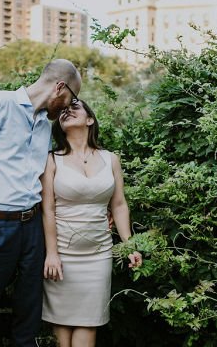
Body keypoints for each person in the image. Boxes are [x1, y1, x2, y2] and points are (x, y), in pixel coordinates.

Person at [0, 59, 82, 347]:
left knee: (29, 316)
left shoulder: (44, 128)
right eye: (71, 99)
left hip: (32, 227)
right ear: (59, 87)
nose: (69, 107)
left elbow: (50, 180)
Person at [40, 100, 143, 347]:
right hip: (62, 255)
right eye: (63, 110)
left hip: (98, 256)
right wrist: (52, 254)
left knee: (89, 323)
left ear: (90, 120)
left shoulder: (111, 159)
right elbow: (47, 209)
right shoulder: (51, 160)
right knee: (61, 325)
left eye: (74, 106)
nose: (67, 110)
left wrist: (130, 246)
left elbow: (119, 205)